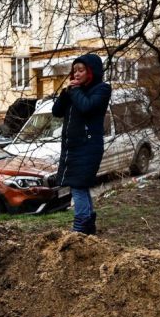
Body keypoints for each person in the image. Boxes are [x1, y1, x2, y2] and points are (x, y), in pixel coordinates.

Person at [52, 54, 111, 235]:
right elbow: (56, 111)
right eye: (74, 71)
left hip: (88, 147)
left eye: (81, 70)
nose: (76, 74)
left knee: (78, 186)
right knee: (80, 186)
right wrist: (65, 93)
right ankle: (88, 229)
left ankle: (80, 228)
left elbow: (87, 107)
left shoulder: (102, 89)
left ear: (91, 71)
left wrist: (75, 91)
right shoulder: (74, 91)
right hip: (72, 148)